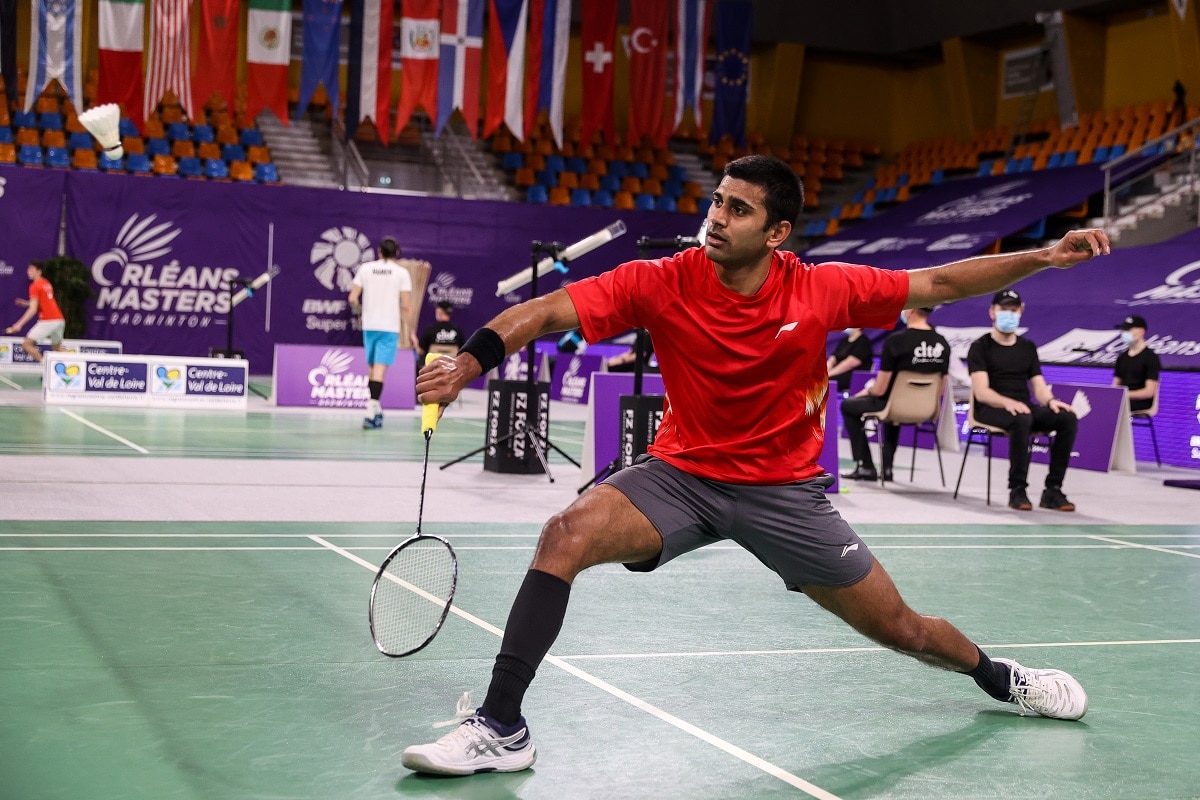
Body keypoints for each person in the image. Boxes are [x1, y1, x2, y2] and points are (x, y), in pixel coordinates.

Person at [406, 154, 1108, 776]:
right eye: (716, 200)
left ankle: (1002, 679)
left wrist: (1043, 258)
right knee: (565, 534)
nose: (716, 218)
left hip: (786, 496)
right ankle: (502, 726)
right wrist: (471, 361)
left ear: (777, 233)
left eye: (738, 209)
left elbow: (941, 279)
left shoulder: (820, 290)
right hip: (682, 475)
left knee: (906, 631)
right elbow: (550, 307)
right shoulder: (663, 280)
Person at [966, 289, 1079, 512]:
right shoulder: (980, 347)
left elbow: (1038, 387)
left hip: (1023, 409)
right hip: (989, 408)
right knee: (1022, 418)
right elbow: (981, 392)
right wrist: (1007, 402)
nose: (1009, 314)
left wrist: (1051, 401)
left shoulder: (1027, 347)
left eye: (1013, 310)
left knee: (1067, 418)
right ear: (992, 312)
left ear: (1021, 312)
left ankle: (1053, 490)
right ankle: (1017, 489)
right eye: (1003, 309)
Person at [841, 306, 950, 482]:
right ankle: (888, 468)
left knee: (849, 406)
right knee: (894, 408)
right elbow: (942, 387)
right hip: (927, 409)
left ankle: (867, 467)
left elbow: (880, 389)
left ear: (910, 310)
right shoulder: (942, 343)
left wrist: (866, 391)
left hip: (894, 406)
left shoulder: (896, 341)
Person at [348, 237, 412, 430]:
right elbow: (406, 305)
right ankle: (370, 411)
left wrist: (361, 312)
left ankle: (376, 411)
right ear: (397, 253)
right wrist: (395, 316)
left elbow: (352, 298)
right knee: (379, 371)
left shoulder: (366, 269)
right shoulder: (402, 273)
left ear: (379, 251)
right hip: (389, 327)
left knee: (372, 369)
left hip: (369, 325)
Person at [5, 262, 66, 363]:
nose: (28, 272)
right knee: (57, 347)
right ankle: (77, 363)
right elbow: (42, 303)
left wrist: (19, 324)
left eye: (31, 270)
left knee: (26, 345)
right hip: (59, 320)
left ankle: (47, 367)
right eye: (28, 269)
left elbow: (33, 309)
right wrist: (25, 303)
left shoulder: (34, 286)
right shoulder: (46, 283)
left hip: (48, 321)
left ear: (39, 271)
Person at [1111, 314, 1160, 413]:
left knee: (1113, 408)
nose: (1125, 333)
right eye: (1124, 330)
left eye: (1128, 330)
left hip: (1141, 402)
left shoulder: (1151, 358)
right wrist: (1112, 395)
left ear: (1141, 331)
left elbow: (1149, 392)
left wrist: (1125, 395)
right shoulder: (1122, 358)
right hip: (1122, 400)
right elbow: (1115, 385)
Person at [827, 327, 873, 394]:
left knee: (828, 382)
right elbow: (833, 358)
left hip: (853, 377)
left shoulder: (863, 342)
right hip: (836, 373)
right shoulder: (844, 341)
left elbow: (849, 364)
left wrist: (829, 374)